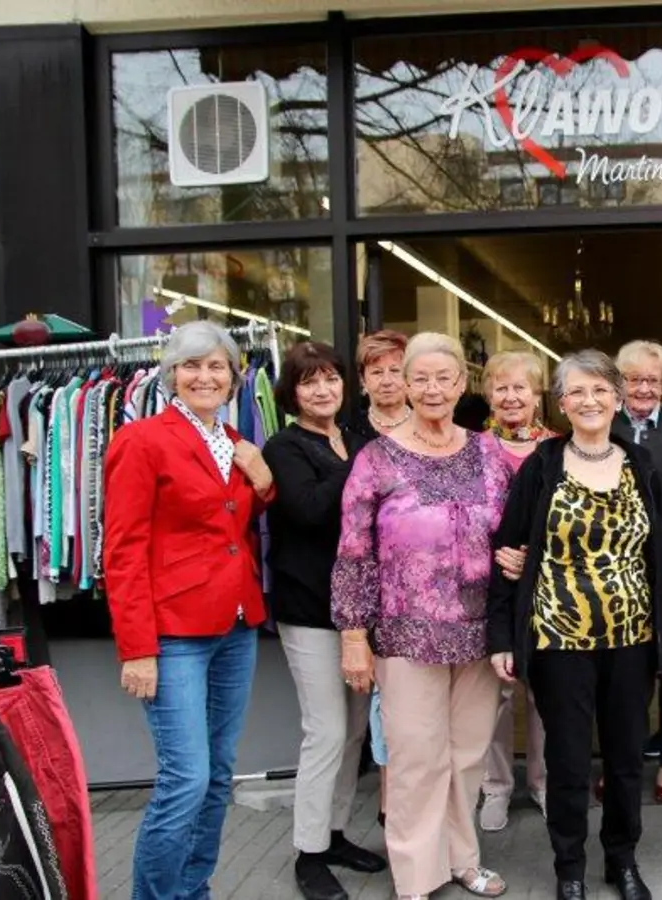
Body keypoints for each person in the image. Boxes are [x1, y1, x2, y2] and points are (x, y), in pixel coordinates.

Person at [331, 332, 516, 900]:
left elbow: (515, 528)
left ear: (463, 383)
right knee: (415, 757)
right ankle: (415, 876)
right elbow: (353, 552)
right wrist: (353, 637)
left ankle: (462, 859)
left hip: (481, 634)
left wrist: (517, 554)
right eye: (421, 379)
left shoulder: (489, 453)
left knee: (465, 756)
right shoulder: (375, 459)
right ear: (404, 386)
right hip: (406, 637)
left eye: (445, 378)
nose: (433, 389)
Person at [487, 349, 662, 900]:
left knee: (624, 758)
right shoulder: (541, 466)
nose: (590, 401)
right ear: (562, 402)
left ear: (617, 399)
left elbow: (658, 554)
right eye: (577, 391)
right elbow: (507, 549)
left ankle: (623, 859)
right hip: (558, 639)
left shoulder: (642, 466)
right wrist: (502, 635)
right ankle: (568, 866)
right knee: (567, 759)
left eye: (600, 390)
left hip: (631, 638)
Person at [102, 320, 277, 899]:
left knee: (217, 776)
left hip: (235, 624)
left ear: (233, 377)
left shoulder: (234, 439)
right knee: (185, 779)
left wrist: (263, 480)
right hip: (173, 634)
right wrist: (137, 649)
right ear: (172, 375)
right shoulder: (142, 440)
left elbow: (236, 520)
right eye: (191, 365)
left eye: (216, 366)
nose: (204, 376)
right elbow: (122, 551)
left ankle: (192, 890)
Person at [262, 342, 388, 900]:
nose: (322, 390)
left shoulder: (359, 440)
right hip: (309, 609)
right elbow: (310, 510)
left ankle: (334, 833)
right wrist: (360, 469)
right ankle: (308, 853)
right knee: (327, 731)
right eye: (310, 382)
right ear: (293, 392)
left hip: (360, 611)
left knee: (355, 731)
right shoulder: (284, 447)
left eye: (331, 380)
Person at [610, 340, 662, 803]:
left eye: (652, 380)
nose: (643, 388)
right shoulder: (603, 425)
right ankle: (622, 762)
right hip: (617, 570)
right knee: (625, 675)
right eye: (633, 379)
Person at [477, 350, 555, 832]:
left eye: (520, 387)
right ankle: (496, 786)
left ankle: (545, 784)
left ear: (537, 395)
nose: (511, 396)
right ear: (488, 394)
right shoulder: (471, 449)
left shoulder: (557, 449)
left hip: (546, 585)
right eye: (501, 388)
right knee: (496, 692)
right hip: (488, 585)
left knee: (545, 691)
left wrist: (532, 558)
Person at [343, 330, 411, 441]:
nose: (386, 381)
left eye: (395, 370)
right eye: (377, 372)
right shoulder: (349, 432)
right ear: (362, 380)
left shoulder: (430, 426)